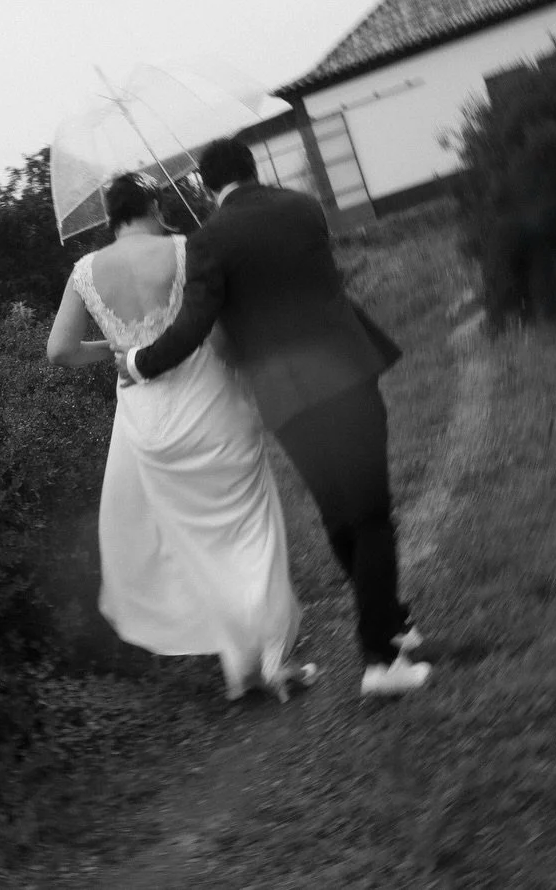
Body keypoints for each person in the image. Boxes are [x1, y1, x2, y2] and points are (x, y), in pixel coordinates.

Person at [115, 138, 432, 696]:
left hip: (285, 397)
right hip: (342, 373)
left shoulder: (207, 240)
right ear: (252, 168)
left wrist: (139, 362)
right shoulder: (303, 208)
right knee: (372, 516)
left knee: (340, 516)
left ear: (209, 186)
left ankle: (393, 623)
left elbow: (193, 328)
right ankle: (382, 659)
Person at [46, 172, 316, 702]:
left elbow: (59, 350)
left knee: (199, 545)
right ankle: (269, 660)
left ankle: (241, 667)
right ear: (149, 203)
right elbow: (214, 336)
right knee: (248, 527)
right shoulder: (187, 248)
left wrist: (120, 350)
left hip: (149, 426)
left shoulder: (84, 272)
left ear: (110, 216)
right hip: (208, 403)